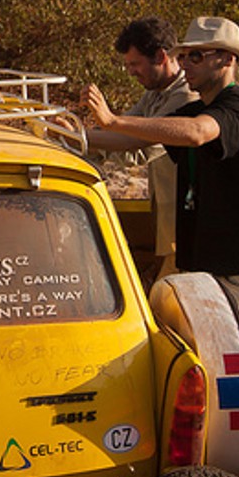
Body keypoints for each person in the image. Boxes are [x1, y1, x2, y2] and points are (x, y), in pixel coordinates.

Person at [82, 17, 239, 366]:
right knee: (200, 361)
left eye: (196, 56)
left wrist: (113, 119)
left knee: (236, 368)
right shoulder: (196, 108)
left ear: (227, 60)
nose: (185, 64)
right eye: (184, 56)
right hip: (210, 264)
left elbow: (196, 133)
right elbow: (133, 140)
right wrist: (73, 136)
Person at [82, 18, 200, 280]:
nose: (131, 72)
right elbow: (122, 129)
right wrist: (75, 134)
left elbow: (138, 144)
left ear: (160, 57)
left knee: (170, 290)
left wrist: (83, 136)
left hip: (186, 220)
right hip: (167, 215)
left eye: (135, 64)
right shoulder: (156, 92)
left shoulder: (185, 97)